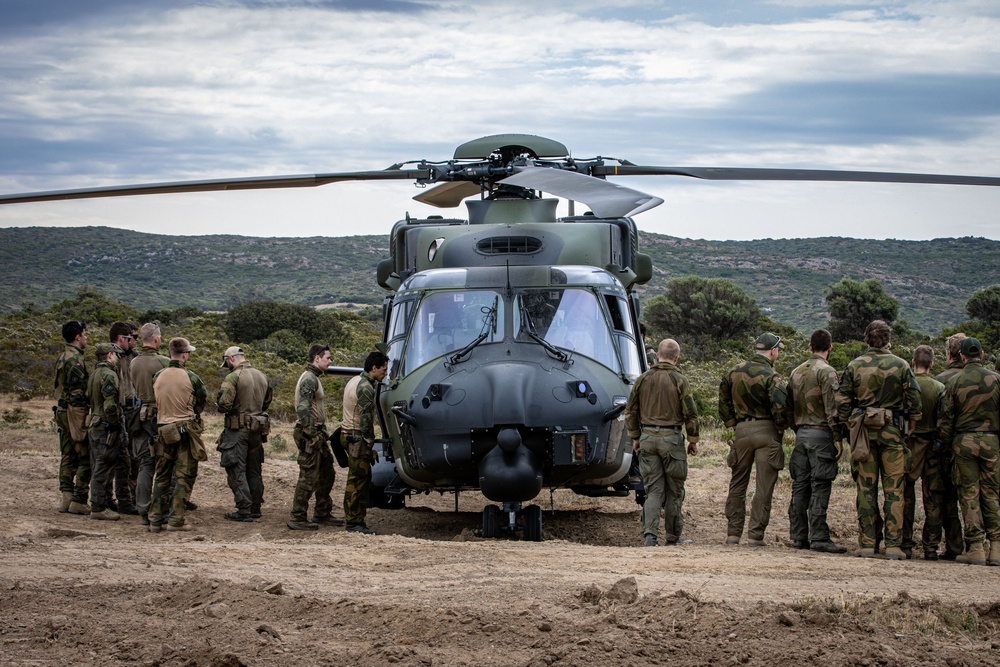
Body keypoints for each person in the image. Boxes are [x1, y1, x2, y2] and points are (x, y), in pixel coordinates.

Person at [836, 320, 921, 560]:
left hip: (863, 432)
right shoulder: (901, 365)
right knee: (894, 489)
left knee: (866, 488)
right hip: (893, 431)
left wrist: (850, 422)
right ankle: (893, 545)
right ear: (888, 338)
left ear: (866, 339)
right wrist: (911, 423)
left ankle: (867, 543)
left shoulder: (855, 365)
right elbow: (914, 399)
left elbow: (841, 402)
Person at [625, 339, 699, 547]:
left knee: (653, 490)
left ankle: (650, 536)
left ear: (657, 355)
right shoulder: (679, 380)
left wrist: (636, 437)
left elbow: (630, 411)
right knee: (675, 491)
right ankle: (673, 537)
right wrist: (693, 440)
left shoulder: (642, 379)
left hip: (647, 438)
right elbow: (691, 414)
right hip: (671, 439)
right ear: (676, 358)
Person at [719, 332, 788, 546]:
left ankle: (733, 533)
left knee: (738, 483)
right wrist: (779, 427)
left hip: (741, 431)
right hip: (766, 431)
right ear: (773, 351)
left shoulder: (733, 371)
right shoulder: (771, 376)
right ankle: (755, 534)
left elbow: (723, 402)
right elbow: (780, 408)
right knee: (763, 486)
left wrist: (733, 425)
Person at [939, 337, 1000, 566]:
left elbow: (946, 420)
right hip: (992, 441)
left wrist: (946, 444)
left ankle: (975, 548)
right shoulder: (997, 380)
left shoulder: (955, 381)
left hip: (963, 442)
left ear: (962, 356)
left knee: (969, 494)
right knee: (992, 494)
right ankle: (996, 548)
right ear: (982, 354)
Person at [785, 329, 846, 553]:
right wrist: (837, 437)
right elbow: (833, 409)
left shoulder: (795, 371)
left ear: (810, 346)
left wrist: (797, 429)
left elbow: (788, 409)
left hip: (801, 435)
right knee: (820, 485)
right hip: (821, 435)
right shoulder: (828, 372)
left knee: (800, 486)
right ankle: (819, 535)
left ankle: (799, 535)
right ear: (830, 348)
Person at [148, 337, 207, 533]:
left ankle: (155, 519)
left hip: (163, 430)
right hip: (184, 430)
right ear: (184, 355)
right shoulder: (191, 377)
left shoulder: (158, 375)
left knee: (162, 476)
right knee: (184, 476)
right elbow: (201, 402)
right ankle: (176, 520)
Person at [216, 346, 273, 522]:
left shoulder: (233, 377)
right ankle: (255, 506)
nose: (226, 365)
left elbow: (223, 404)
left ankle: (244, 508)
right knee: (254, 470)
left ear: (231, 359)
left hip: (237, 431)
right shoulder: (261, 376)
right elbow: (266, 402)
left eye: (226, 362)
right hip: (257, 429)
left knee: (236, 469)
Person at [903, 345, 948, 560]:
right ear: (931, 364)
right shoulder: (939, 388)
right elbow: (944, 420)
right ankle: (931, 547)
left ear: (913, 362)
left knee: (906, 496)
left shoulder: (907, 385)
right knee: (933, 498)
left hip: (909, 445)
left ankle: (905, 544)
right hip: (932, 448)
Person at [288, 344, 336, 531]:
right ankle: (297, 517)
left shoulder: (313, 377)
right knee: (308, 477)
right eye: (328, 358)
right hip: (311, 433)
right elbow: (303, 408)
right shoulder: (309, 379)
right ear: (317, 358)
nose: (330, 361)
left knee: (327, 474)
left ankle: (322, 512)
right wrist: (312, 434)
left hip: (317, 433)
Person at [341, 351, 389, 534]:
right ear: (374, 368)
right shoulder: (366, 388)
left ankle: (354, 519)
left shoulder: (354, 381)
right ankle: (354, 521)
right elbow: (366, 419)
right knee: (358, 480)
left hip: (349, 434)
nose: (385, 372)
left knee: (359, 478)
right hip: (357, 437)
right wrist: (370, 443)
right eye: (383, 369)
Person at [932, 332, 970, 560]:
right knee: (974, 496)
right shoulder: (987, 378)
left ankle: (953, 545)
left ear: (949, 353)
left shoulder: (941, 380)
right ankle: (980, 545)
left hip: (945, 448)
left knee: (945, 498)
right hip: (978, 446)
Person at [129, 323, 170, 525]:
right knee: (163, 464)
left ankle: (143, 508)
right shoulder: (164, 362)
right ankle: (161, 508)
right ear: (156, 339)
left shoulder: (133, 362)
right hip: (158, 417)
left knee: (145, 464)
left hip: (139, 415)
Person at [54, 320, 91, 515]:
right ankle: (78, 499)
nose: (86, 337)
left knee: (67, 454)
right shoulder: (75, 360)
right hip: (73, 412)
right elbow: (77, 392)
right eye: (84, 333)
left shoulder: (62, 357)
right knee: (85, 455)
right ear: (77, 336)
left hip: (62, 410)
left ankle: (66, 497)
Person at [87, 343, 122, 521]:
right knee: (103, 466)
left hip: (94, 423)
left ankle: (100, 504)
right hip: (104, 427)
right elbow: (110, 404)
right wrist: (115, 423)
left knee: (98, 465)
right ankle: (98, 507)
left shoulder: (94, 374)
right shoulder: (109, 375)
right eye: (115, 355)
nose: (117, 358)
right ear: (109, 355)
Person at [108, 321, 139, 515]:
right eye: (132, 338)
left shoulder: (135, 358)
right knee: (116, 458)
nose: (135, 341)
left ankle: (130, 497)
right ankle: (113, 498)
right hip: (119, 410)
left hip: (133, 409)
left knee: (132, 457)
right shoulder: (113, 359)